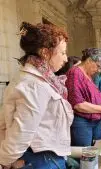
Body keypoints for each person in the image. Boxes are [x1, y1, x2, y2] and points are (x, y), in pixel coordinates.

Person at [0, 22, 73, 168]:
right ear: (45, 53)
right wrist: (5, 161)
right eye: (63, 53)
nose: (66, 59)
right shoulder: (34, 84)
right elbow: (21, 132)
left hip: (45, 158)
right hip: (41, 160)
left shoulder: (41, 80)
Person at [65, 48, 101, 147]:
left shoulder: (87, 75)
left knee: (97, 153)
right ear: (89, 60)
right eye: (98, 66)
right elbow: (78, 105)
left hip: (95, 121)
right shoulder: (75, 73)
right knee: (85, 156)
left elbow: (90, 98)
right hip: (83, 122)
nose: (98, 70)